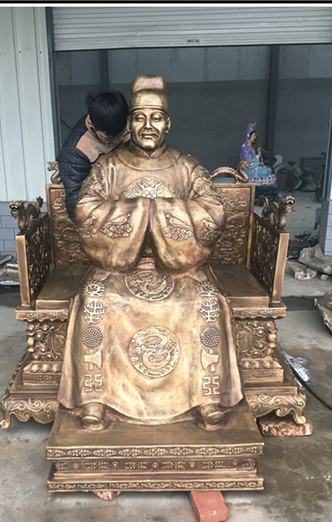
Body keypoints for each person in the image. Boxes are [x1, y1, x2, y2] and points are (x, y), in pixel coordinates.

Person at [56, 74, 242, 432]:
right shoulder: (109, 167)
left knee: (206, 301)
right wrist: (143, 209)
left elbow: (214, 212)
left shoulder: (186, 166)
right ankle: (97, 398)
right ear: (130, 123)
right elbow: (85, 212)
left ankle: (205, 397)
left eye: (156, 118)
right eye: (140, 118)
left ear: (168, 124)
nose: (148, 125)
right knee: (94, 300)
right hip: (119, 265)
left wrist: (158, 214)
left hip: (179, 264)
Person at [56, 91, 130, 220]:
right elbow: (77, 205)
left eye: (119, 135)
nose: (114, 142)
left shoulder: (131, 123)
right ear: (90, 123)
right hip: (102, 210)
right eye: (108, 138)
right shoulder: (75, 153)